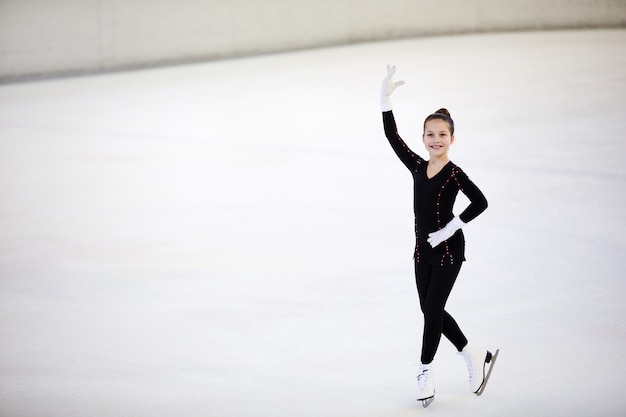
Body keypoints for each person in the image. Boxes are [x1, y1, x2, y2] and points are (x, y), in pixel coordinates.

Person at [380, 65, 498, 406]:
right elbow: (392, 137)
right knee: (428, 309)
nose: (435, 140)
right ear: (423, 138)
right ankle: (471, 351)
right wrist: (385, 100)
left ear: (452, 139)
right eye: (430, 134)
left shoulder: (455, 173)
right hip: (422, 250)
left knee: (432, 308)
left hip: (448, 249)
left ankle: (425, 370)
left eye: (442, 135)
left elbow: (481, 202)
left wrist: (450, 227)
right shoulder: (417, 166)